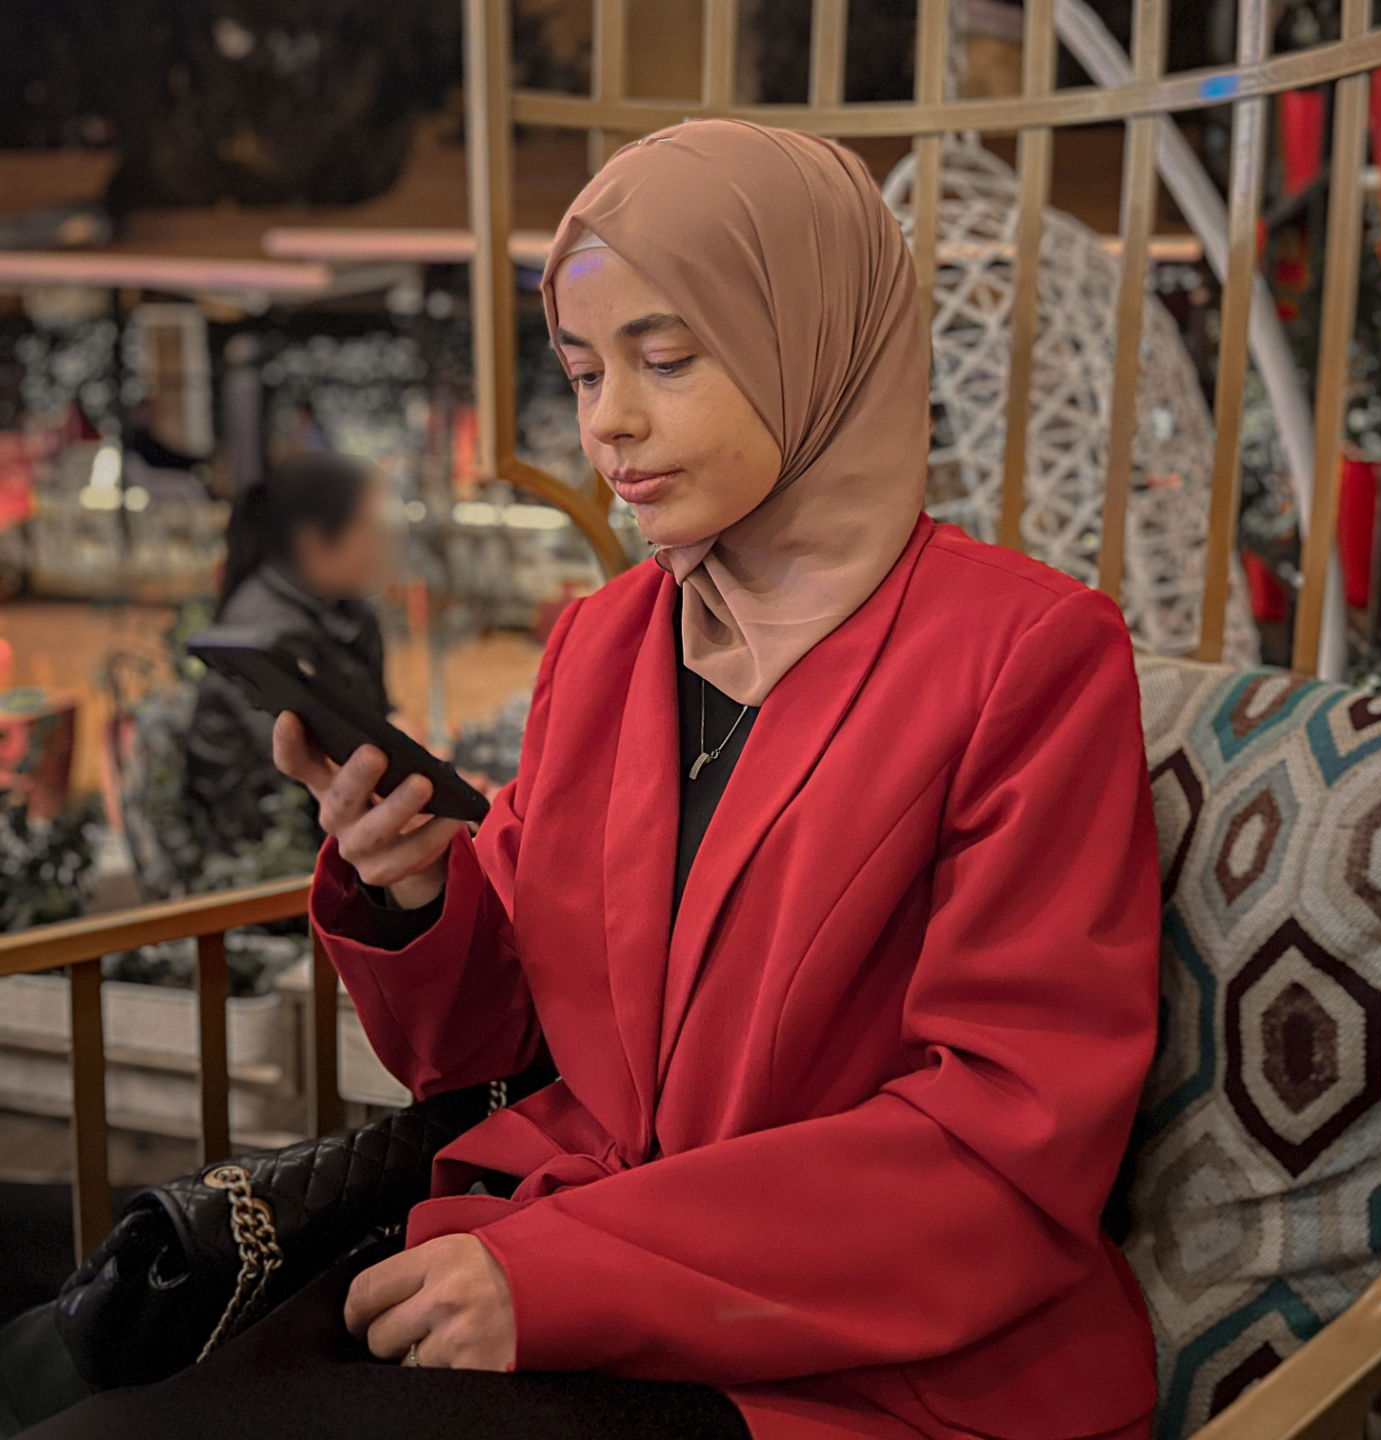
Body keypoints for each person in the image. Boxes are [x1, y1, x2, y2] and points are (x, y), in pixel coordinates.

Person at [25, 120, 1159, 1440]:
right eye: (581, 370)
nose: (608, 420)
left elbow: (1001, 1148)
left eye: (666, 359)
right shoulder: (608, 641)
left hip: (848, 1357)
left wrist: (563, 1280)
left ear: (814, 344)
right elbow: (495, 1047)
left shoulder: (1027, 654)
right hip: (547, 1252)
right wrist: (414, 892)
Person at [184, 452, 395, 849]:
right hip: (266, 839)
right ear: (313, 542)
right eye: (369, 527)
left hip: (333, 811)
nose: (382, 543)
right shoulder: (267, 632)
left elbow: (373, 718)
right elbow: (311, 765)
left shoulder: (349, 613)